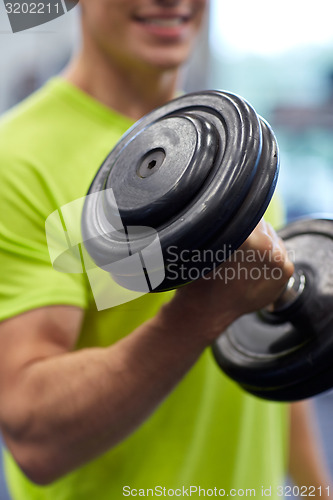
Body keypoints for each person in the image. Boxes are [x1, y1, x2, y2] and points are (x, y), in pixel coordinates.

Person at [0, 1, 330, 499]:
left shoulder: (228, 142)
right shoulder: (19, 162)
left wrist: (314, 490)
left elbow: (269, 342)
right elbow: (34, 437)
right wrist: (205, 309)